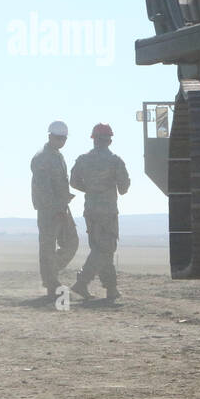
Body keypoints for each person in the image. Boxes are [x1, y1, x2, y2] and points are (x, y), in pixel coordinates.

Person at [70, 123, 131, 302]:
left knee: (102, 249)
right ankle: (81, 282)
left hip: (90, 210)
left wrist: (90, 188)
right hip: (107, 212)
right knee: (105, 249)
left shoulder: (82, 160)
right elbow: (124, 188)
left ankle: (111, 289)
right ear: (109, 140)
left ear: (94, 140)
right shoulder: (115, 161)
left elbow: (73, 182)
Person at [31, 120, 79, 296]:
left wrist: (62, 206)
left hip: (61, 206)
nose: (61, 141)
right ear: (50, 136)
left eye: (64, 138)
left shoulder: (57, 156)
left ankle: (50, 273)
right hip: (48, 210)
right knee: (48, 246)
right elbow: (44, 189)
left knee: (71, 243)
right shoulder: (41, 158)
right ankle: (51, 282)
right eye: (58, 138)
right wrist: (56, 209)